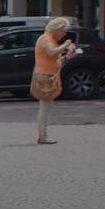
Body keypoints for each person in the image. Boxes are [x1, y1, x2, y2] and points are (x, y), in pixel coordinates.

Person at [32, 17, 79, 145]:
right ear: (56, 29)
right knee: (45, 108)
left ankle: (43, 134)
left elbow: (56, 60)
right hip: (45, 76)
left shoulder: (51, 40)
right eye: (63, 31)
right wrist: (65, 45)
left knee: (46, 107)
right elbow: (51, 53)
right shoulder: (45, 38)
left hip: (50, 76)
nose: (64, 34)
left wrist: (67, 57)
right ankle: (43, 136)